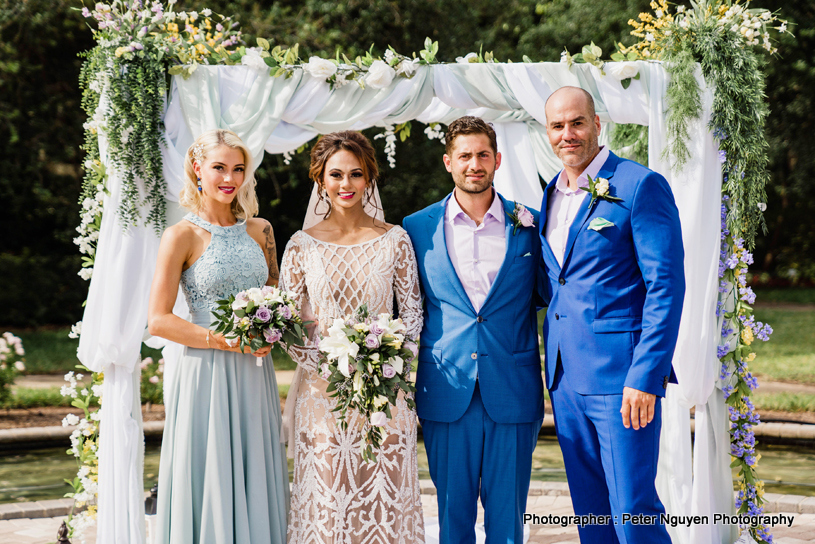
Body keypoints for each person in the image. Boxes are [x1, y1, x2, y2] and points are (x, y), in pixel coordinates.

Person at [539, 86, 685, 543]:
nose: (568, 134)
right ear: (548, 133)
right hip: (565, 382)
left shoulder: (640, 185)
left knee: (632, 509)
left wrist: (645, 375)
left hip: (622, 382)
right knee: (591, 514)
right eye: (558, 126)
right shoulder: (550, 195)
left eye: (576, 123)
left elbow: (666, 287)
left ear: (597, 124)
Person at [403, 116, 545, 543]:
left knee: (507, 522)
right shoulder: (416, 228)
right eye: (464, 155)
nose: (474, 164)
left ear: (497, 159)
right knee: (453, 519)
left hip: (513, 388)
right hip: (445, 389)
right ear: (448, 162)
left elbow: (555, 296)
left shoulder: (531, 225)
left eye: (483, 154)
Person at [279, 130, 425, 543]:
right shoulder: (301, 246)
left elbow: (411, 315)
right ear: (320, 180)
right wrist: (332, 370)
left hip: (385, 393)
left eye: (356, 174)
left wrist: (388, 364)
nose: (346, 185)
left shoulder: (395, 239)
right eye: (336, 175)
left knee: (385, 500)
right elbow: (290, 325)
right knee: (327, 503)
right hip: (322, 396)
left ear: (369, 179)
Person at [147, 129, 288, 543]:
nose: (230, 178)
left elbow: (276, 295)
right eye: (219, 168)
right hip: (205, 372)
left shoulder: (261, 230)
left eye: (238, 169)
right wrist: (222, 340)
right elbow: (158, 320)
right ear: (197, 169)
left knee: (254, 469)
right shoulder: (181, 236)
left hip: (254, 372)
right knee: (208, 471)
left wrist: (274, 329)